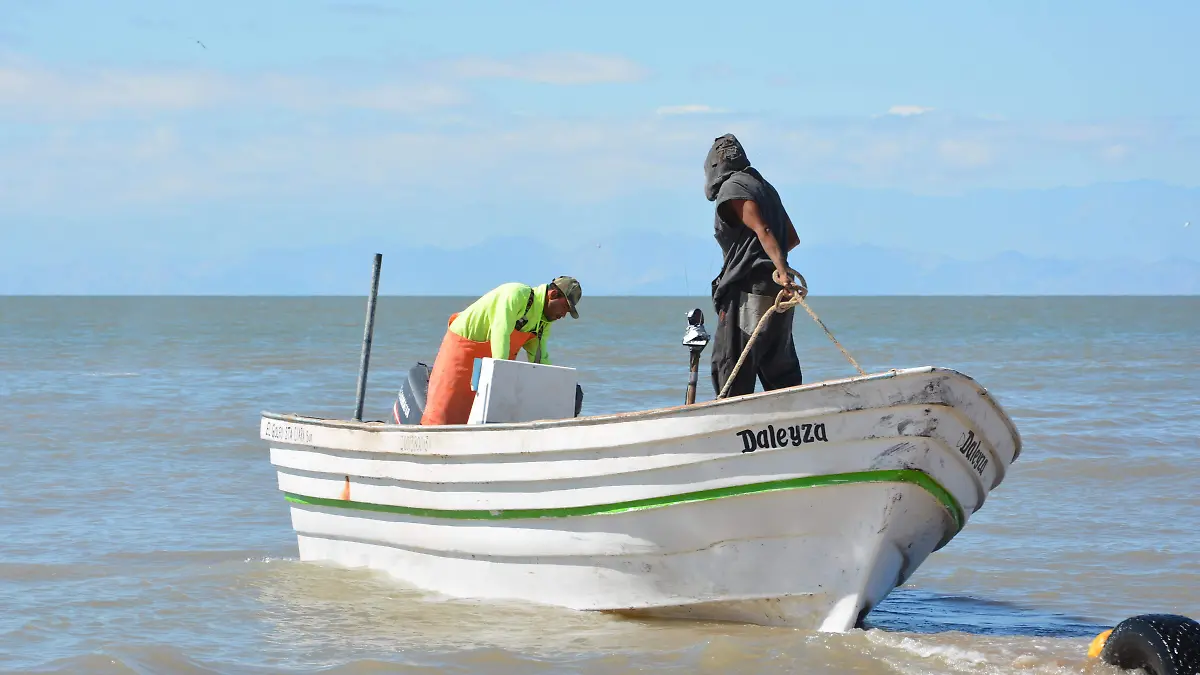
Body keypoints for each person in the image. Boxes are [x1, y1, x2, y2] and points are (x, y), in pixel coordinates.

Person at [703, 133, 804, 398]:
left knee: (731, 364)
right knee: (779, 369)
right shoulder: (764, 188)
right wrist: (777, 270)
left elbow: (763, 228)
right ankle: (792, 427)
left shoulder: (733, 189)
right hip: (777, 295)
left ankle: (731, 429)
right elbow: (791, 238)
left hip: (748, 292)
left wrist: (778, 269)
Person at [420, 276, 583, 425]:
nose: (563, 315)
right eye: (564, 308)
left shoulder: (543, 323)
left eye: (568, 312)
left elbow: (540, 359)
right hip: (462, 348)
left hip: (493, 362)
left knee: (478, 415)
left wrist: (559, 388)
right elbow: (501, 330)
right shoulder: (517, 294)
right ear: (553, 295)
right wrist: (501, 373)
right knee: (443, 412)